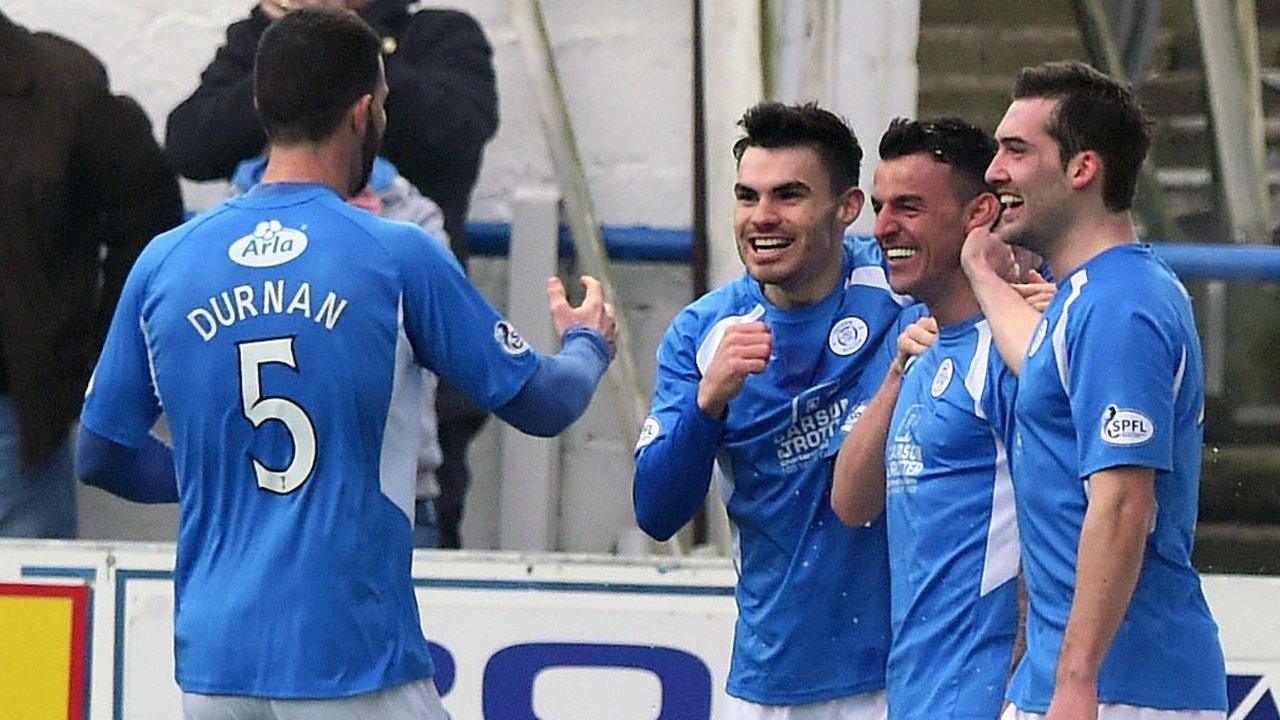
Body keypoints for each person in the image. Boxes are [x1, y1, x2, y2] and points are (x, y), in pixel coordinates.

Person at [76, 9, 615, 719]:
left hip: (213, 667)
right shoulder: (394, 253)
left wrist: (223, 473)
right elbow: (542, 402)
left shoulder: (167, 260)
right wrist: (588, 345)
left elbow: (101, 452)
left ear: (264, 110)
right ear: (364, 113)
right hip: (350, 656)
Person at [165, 0, 500, 548]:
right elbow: (191, 143)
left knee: (415, 568)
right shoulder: (260, 37)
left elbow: (456, 133)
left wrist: (331, 41)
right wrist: (292, 49)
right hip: (270, 390)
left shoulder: (438, 34)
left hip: (415, 384)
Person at [962, 60, 1227, 720]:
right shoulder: (1089, 296)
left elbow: (1122, 506)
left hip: (1125, 687)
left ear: (1082, 170)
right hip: (1074, 680)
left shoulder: (1121, 307)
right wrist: (985, 277)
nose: (994, 170)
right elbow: (1043, 368)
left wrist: (1077, 683)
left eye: (1016, 150)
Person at [634, 102, 914, 719]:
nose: (762, 218)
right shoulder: (703, 332)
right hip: (774, 680)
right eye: (746, 197)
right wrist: (708, 404)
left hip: (908, 671)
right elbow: (656, 512)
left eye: (788, 196)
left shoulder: (903, 291)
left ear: (847, 208)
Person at [831, 118, 1052, 720]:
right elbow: (851, 503)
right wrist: (897, 374)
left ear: (978, 213)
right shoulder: (921, 348)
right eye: (878, 208)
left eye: (909, 207)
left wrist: (1029, 687)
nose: (882, 229)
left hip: (989, 698)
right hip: (915, 694)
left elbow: (1066, 525)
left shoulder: (1015, 352)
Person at [0, 11, 183, 538]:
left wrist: (100, 355)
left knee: (26, 612)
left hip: (18, 421)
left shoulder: (61, 85)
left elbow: (148, 217)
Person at [230, 153, 449, 548]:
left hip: (397, 501)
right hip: (257, 503)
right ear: (365, 115)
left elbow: (449, 347)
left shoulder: (412, 219)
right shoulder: (220, 230)